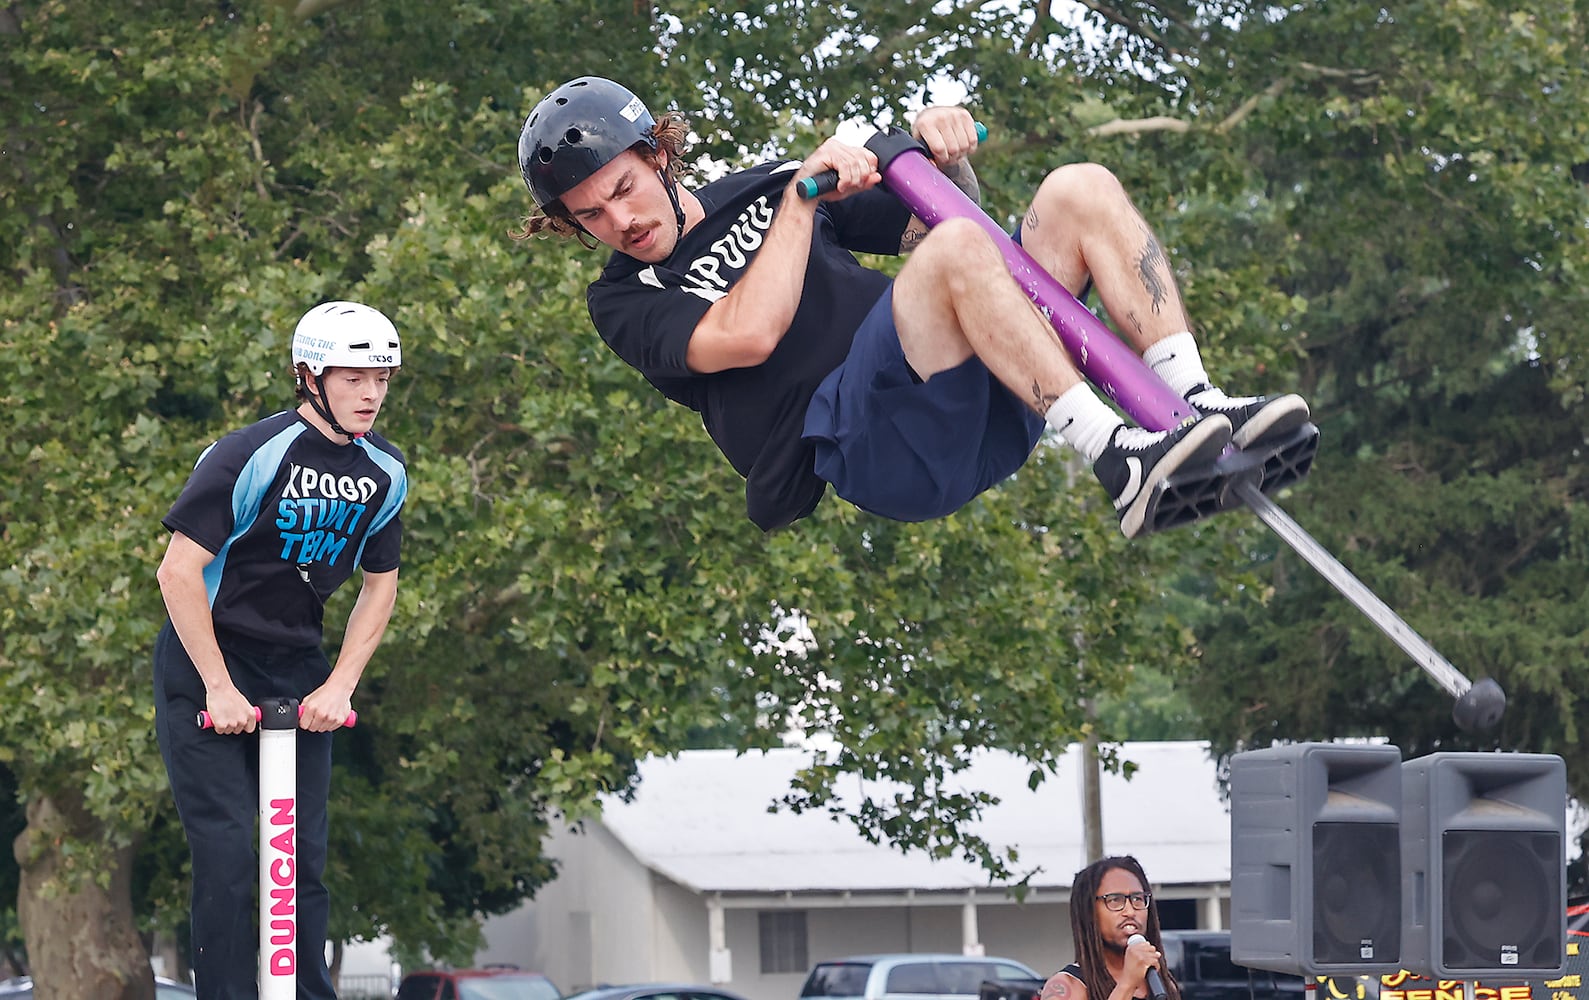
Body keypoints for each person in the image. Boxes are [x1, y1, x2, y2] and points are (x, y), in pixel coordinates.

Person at [515, 76, 1309, 538]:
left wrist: (940, 156)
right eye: (590, 216)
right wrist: (800, 197)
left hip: (997, 387)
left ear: (657, 154)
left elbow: (951, 231)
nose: (620, 222)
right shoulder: (622, 299)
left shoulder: (759, 188)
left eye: (622, 189)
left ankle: (1190, 400)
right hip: (875, 446)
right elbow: (747, 334)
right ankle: (1117, 459)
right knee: (954, 257)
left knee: (1078, 188)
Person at [152, 301, 408, 1000]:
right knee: (233, 855)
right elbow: (177, 573)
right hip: (207, 660)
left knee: (301, 862)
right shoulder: (249, 454)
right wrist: (217, 686)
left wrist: (341, 686)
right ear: (309, 376)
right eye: (353, 377)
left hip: (298, 669)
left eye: (381, 379)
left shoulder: (385, 470)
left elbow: (378, 589)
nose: (370, 394)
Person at [1043, 855, 1182, 1000]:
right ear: (1089, 912)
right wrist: (1127, 984)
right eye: (1115, 900)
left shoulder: (1161, 984)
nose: (1130, 911)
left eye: (1137, 899)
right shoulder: (1066, 986)